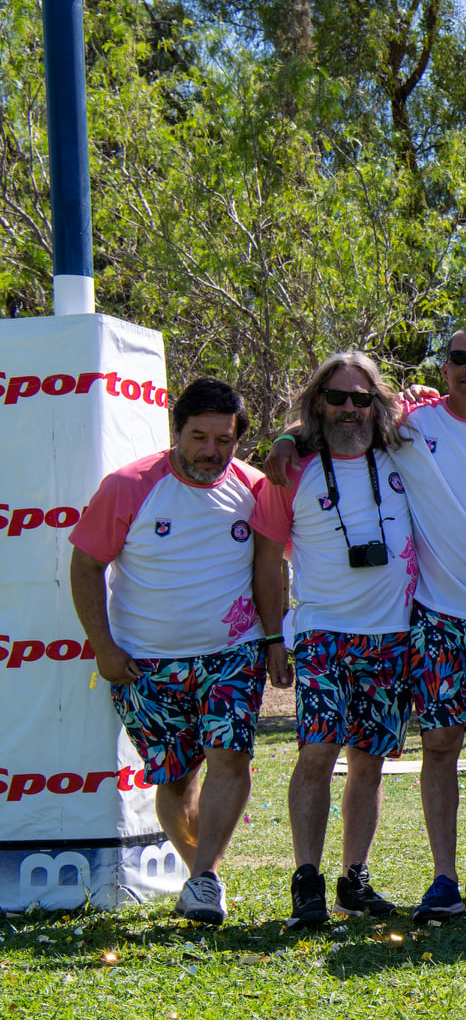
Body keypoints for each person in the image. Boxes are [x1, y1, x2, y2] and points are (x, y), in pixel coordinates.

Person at [271, 327, 466, 921]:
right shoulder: (411, 430)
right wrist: (284, 436)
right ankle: (420, 879)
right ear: (443, 367)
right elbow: (328, 424)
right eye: (459, 358)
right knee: (424, 744)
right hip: (421, 617)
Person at [68, 377, 288, 925]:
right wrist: (103, 647)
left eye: (224, 439)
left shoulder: (255, 488)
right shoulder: (128, 486)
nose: (211, 451)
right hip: (146, 662)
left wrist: (273, 637)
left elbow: (268, 567)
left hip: (231, 654)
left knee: (232, 757)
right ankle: (201, 875)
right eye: (199, 437)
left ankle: (205, 877)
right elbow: (86, 565)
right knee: (176, 779)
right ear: (178, 431)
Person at [250, 354, 417, 926]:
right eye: (338, 397)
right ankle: (307, 880)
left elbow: (457, 413)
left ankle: (354, 879)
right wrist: (274, 636)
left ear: (378, 403)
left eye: (361, 398)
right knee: (317, 752)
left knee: (369, 762)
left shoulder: (404, 450)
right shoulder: (289, 468)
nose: (351, 408)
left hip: (394, 634)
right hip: (323, 633)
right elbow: (268, 561)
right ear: (318, 402)